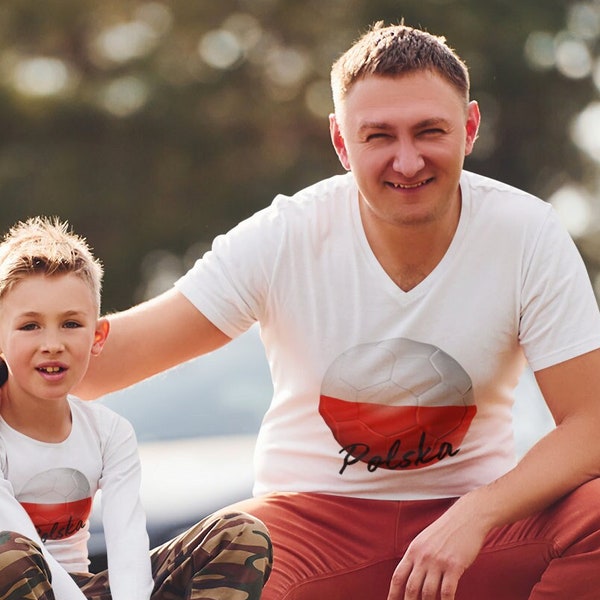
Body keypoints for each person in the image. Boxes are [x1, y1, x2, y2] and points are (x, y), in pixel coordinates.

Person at [76, 22, 600, 600]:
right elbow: (108, 359)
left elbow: (591, 424)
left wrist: (476, 514)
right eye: (379, 136)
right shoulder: (285, 237)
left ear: (470, 127)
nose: (407, 161)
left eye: (430, 131)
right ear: (341, 141)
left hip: (473, 527)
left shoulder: (526, 235)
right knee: (226, 566)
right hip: (309, 526)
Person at [0, 217, 272, 600]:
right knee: (6, 551)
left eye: (71, 324)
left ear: (97, 337)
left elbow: (127, 545)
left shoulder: (109, 432)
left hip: (84, 587)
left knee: (241, 533)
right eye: (30, 326)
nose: (52, 344)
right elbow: (16, 538)